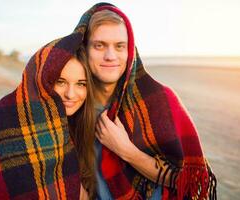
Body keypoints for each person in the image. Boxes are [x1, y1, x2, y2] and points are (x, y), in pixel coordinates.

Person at [80, 2, 217, 200]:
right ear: (84, 49)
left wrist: (125, 150)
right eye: (99, 45)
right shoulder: (73, 106)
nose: (110, 56)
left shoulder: (160, 100)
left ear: (131, 52)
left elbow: (186, 180)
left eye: (120, 46)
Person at [0, 42, 96, 199]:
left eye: (81, 84)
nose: (70, 94)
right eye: (61, 82)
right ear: (43, 80)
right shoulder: (6, 115)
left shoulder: (82, 122)